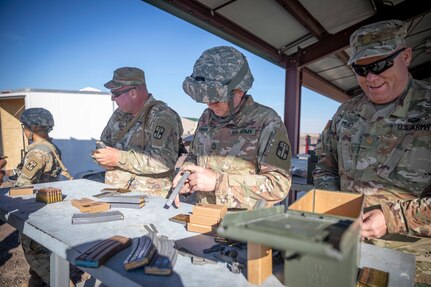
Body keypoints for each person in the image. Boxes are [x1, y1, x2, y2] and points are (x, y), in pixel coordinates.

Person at [313, 20, 431, 284]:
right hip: (348, 257)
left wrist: (392, 219)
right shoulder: (346, 113)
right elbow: (324, 165)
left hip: (414, 268)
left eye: (380, 65)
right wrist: (334, 204)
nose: (371, 77)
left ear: (406, 56)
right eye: (361, 69)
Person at [173, 46, 292, 209]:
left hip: (244, 226)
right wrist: (186, 173)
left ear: (240, 90)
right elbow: (194, 156)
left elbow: (279, 186)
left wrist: (217, 182)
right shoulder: (207, 118)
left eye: (216, 98)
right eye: (205, 99)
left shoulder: (267, 121)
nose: (209, 104)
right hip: (203, 217)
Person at [93, 67, 184, 197]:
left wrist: (118, 158)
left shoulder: (162, 117)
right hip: (115, 193)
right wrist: (101, 156)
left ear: (133, 93)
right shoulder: (119, 114)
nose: (112, 98)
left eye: (116, 93)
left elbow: (164, 160)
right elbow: (105, 142)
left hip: (147, 199)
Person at [14, 108, 71, 286]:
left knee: (38, 256)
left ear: (32, 128)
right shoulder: (51, 148)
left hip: (37, 211)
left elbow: (22, 186)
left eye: (25, 127)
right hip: (50, 207)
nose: (24, 131)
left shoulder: (37, 152)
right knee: (44, 255)